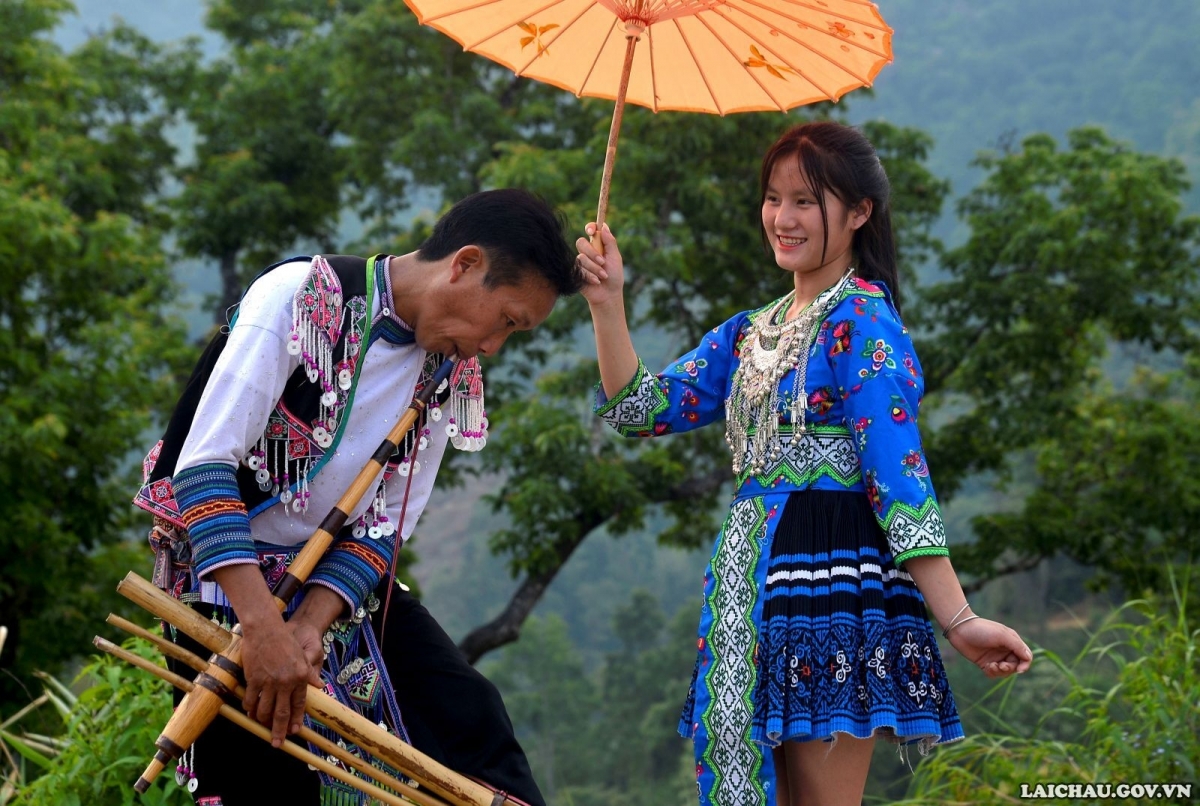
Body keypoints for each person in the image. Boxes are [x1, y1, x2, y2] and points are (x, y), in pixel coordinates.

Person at [574, 121, 1033, 806]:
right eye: (773, 198)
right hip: (750, 584)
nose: (782, 219)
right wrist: (607, 303)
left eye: (805, 202)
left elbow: (898, 476)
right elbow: (643, 408)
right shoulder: (749, 332)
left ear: (859, 212)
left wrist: (959, 619)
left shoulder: (860, 320)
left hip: (831, 586)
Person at [133, 188, 582, 805]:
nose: (493, 346)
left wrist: (308, 626)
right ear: (465, 264)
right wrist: (263, 630)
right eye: (507, 319)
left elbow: (384, 524)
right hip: (226, 580)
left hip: (332, 586)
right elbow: (204, 467)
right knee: (266, 772)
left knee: (468, 721)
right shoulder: (301, 297)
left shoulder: (447, 369)